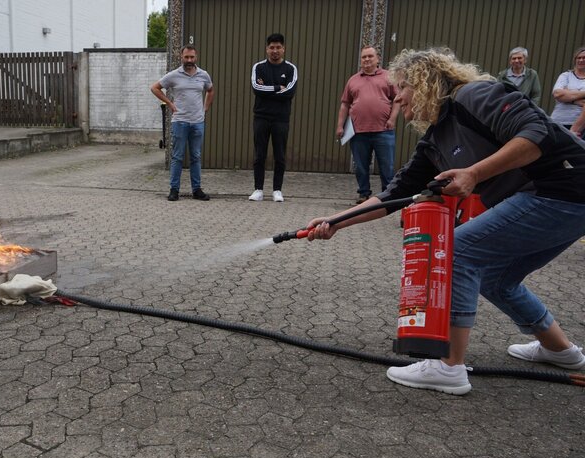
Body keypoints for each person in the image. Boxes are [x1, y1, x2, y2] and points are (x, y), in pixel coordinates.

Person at [307, 47, 585, 395]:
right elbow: (395, 194)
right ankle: (561, 350)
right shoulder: (436, 139)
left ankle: (449, 366)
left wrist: (474, 173)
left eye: (403, 88)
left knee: (460, 251)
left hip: (563, 189)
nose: (398, 99)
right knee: (498, 279)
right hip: (564, 202)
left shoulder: (474, 95)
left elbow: (535, 136)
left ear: (425, 82)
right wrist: (335, 221)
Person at [336, 46, 400, 204]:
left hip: (384, 131)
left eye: (370, 56)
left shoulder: (389, 77)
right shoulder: (353, 80)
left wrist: (392, 119)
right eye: (364, 57)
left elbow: (397, 100)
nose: (367, 59)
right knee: (360, 166)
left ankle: (388, 194)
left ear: (378, 59)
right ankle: (364, 193)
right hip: (358, 131)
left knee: (387, 166)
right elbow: (345, 104)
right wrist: (339, 126)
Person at [150, 44, 215, 201]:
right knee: (177, 157)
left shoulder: (203, 75)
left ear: (196, 57)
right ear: (181, 57)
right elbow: (155, 88)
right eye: (186, 57)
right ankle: (174, 190)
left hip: (197, 122)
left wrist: (205, 108)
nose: (189, 60)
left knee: (196, 157)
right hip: (180, 122)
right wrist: (170, 104)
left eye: (192, 57)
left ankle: (197, 190)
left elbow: (210, 90)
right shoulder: (174, 75)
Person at [249, 33, 298, 203]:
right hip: (261, 117)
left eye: (278, 47)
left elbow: (290, 92)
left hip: (281, 119)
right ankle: (258, 189)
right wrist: (278, 87)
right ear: (266, 49)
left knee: (280, 155)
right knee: (259, 155)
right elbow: (256, 88)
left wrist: (268, 89)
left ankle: (277, 190)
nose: (275, 50)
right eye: (272, 47)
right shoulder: (258, 67)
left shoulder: (291, 69)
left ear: (283, 49)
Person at [550, 46, 585, 129]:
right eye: (578, 58)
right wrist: (580, 97)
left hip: (579, 126)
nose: (581, 60)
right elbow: (557, 94)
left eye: (584, 58)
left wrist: (567, 93)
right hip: (557, 121)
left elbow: (562, 95)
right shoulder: (565, 76)